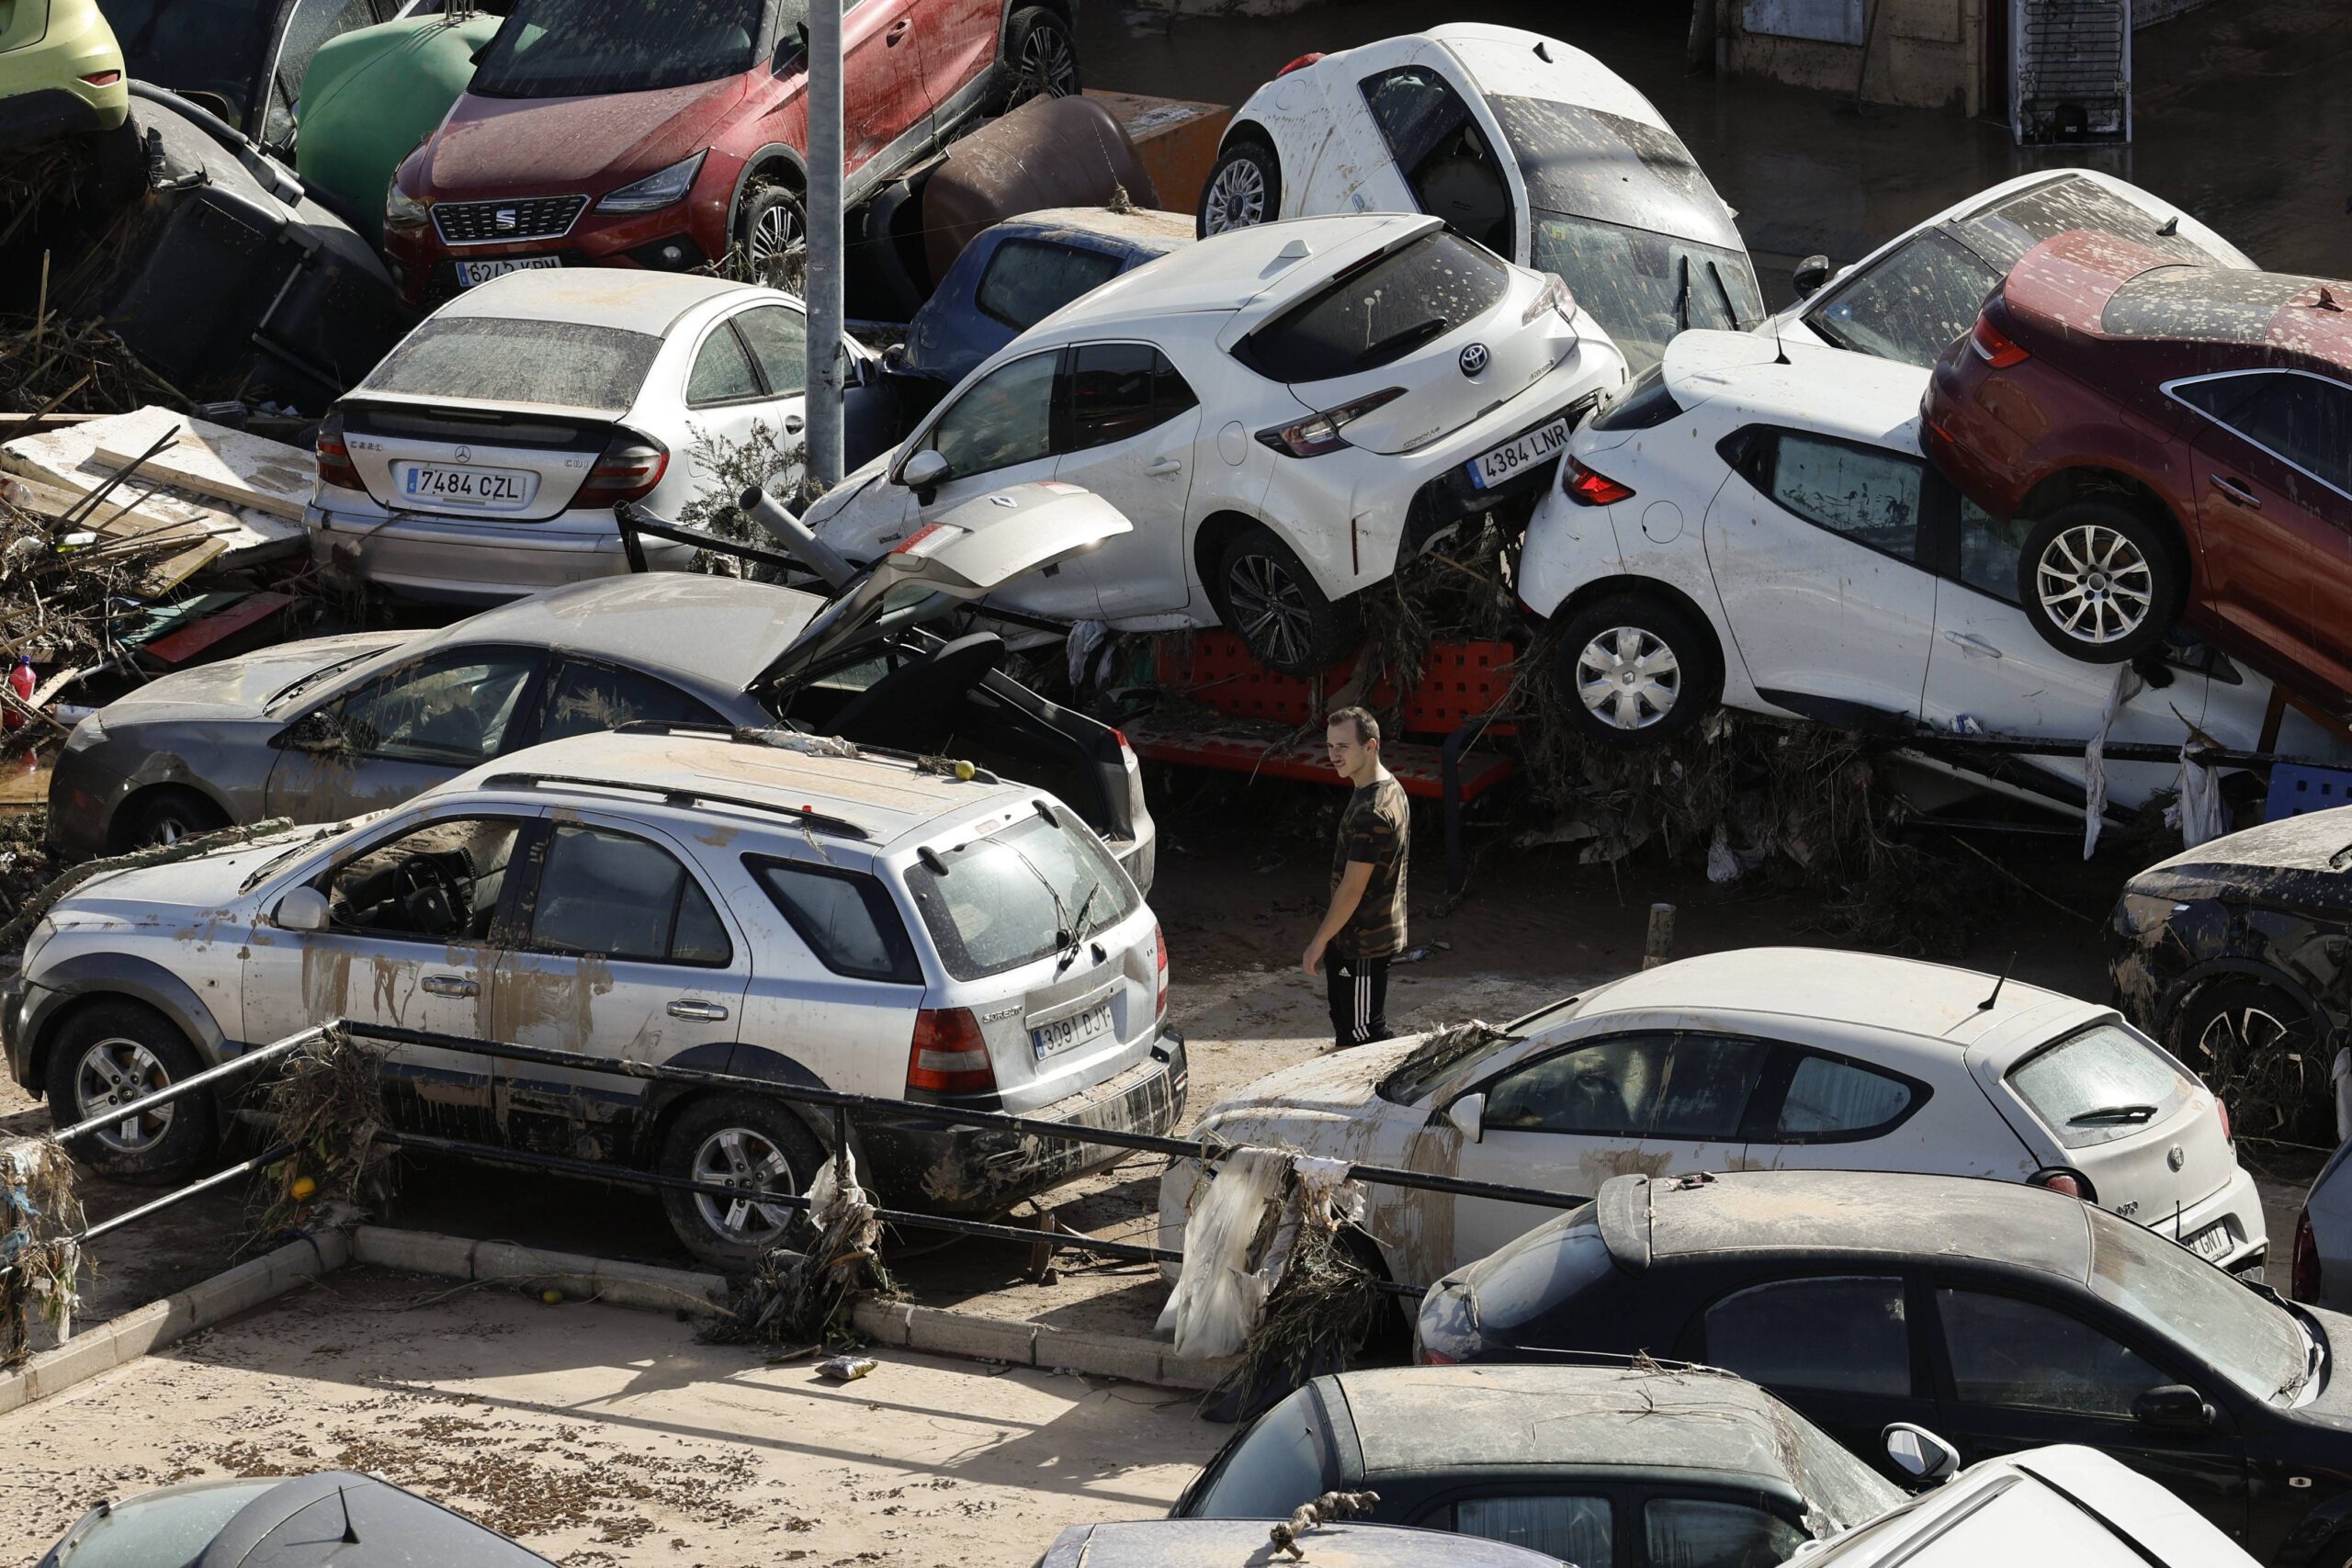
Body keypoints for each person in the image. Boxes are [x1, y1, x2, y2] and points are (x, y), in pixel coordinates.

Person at [1301, 706, 1409, 1048]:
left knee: (1365, 1036)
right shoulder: (1381, 786)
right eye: (1331, 746)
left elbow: (1352, 887)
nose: (1333, 755)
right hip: (1352, 936)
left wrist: (1319, 941)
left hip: (1365, 942)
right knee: (1349, 1029)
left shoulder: (1373, 811)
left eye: (1343, 747)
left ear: (1370, 746)